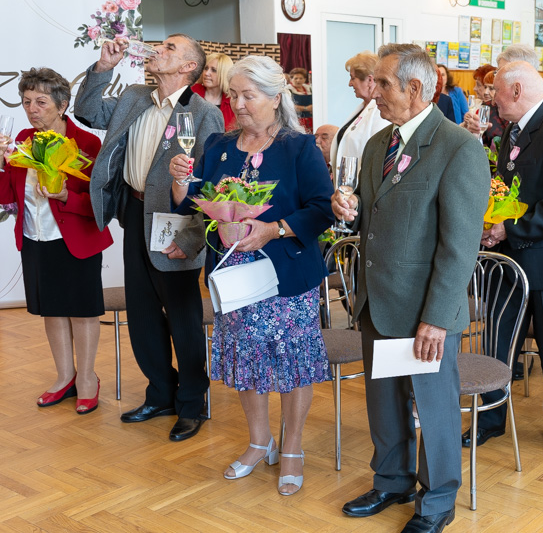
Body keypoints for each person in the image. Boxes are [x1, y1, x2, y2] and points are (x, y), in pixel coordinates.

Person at [333, 43, 489, 533]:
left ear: (416, 89)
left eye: (382, 84)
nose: (372, 93)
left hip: (425, 309)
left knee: (433, 405)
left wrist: (438, 318)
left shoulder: (459, 148)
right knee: (383, 399)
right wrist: (349, 206)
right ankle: (392, 479)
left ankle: (438, 498)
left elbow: (459, 247)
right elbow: (375, 211)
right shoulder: (380, 142)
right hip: (377, 299)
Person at [170, 55, 334, 495]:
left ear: (275, 97)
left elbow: (322, 209)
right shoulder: (219, 146)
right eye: (233, 95)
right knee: (248, 361)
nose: (238, 104)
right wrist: (180, 182)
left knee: (291, 363)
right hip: (234, 277)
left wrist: (275, 229)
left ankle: (293, 447)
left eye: (248, 95)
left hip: (286, 275)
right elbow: (192, 206)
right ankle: (260, 441)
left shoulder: (298, 148)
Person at [75, 34, 223, 441]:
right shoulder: (136, 96)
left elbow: (209, 184)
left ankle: (193, 402)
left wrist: (193, 237)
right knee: (141, 315)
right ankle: (161, 392)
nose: (160, 49)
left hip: (176, 221)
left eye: (171, 48)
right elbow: (87, 111)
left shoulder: (205, 113)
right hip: (134, 213)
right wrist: (103, 68)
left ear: (188, 67)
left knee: (183, 317)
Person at [466, 61, 543, 455]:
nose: (492, 98)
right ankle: (490, 418)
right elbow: (507, 186)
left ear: (517, 92)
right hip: (512, 258)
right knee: (497, 342)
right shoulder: (510, 132)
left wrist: (511, 228)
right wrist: (494, 220)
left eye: (497, 91)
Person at [0, 68, 112, 414]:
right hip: (35, 238)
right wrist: (2, 166)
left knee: (81, 311)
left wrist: (65, 196)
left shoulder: (88, 144)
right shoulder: (22, 139)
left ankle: (88, 379)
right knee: (52, 309)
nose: (32, 109)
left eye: (41, 102)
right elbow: (7, 197)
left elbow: (101, 205)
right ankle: (64, 377)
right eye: (26, 101)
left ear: (62, 105)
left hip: (76, 240)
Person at [330, 51, 390, 183]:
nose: (350, 84)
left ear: (369, 80)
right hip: (347, 191)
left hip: (362, 192)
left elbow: (377, 158)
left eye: (353, 78)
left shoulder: (380, 112)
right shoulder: (363, 107)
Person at [191, 52, 236, 131]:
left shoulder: (232, 101)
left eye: (214, 70)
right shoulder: (192, 92)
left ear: (224, 74)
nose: (207, 73)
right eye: (206, 68)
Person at [287, 67, 313, 132]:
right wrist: (306, 108)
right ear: (291, 79)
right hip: (295, 120)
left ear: (304, 79)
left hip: (311, 120)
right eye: (296, 78)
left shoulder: (309, 88)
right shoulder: (288, 90)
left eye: (301, 78)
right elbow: (288, 106)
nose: (298, 80)